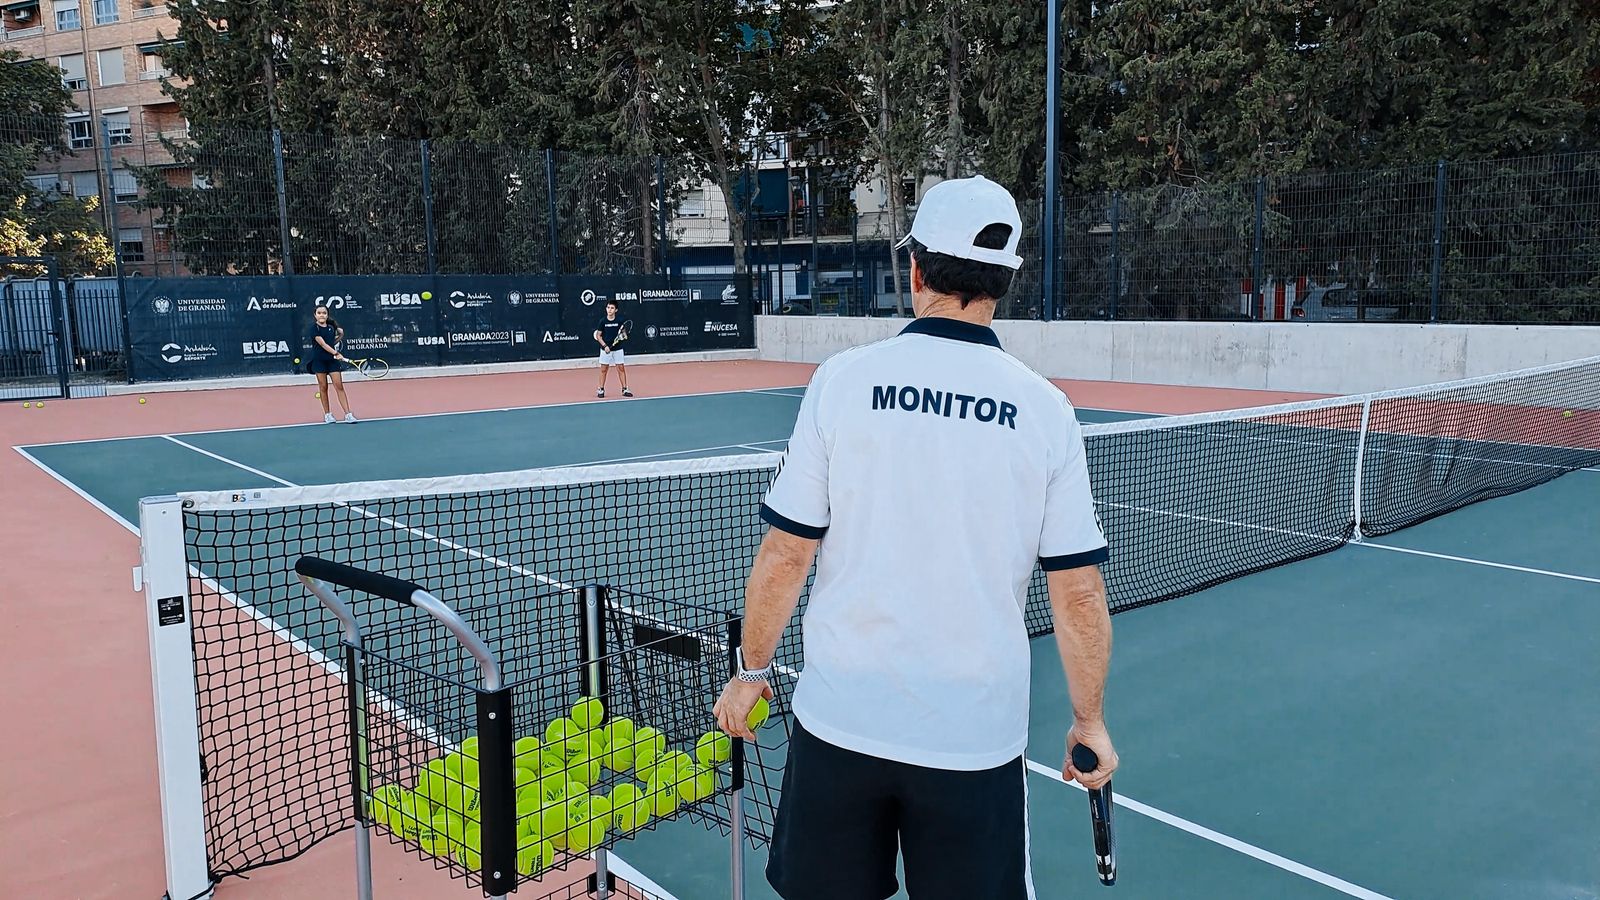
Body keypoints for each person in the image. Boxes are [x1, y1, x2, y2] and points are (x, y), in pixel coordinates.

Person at [714, 175, 1118, 899]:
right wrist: (1088, 720)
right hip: (974, 741)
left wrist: (751, 673)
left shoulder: (842, 382)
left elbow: (786, 554)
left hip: (840, 726)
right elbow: (1079, 593)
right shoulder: (1046, 410)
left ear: (916, 271)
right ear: (1004, 281)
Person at [307, 304, 357, 424]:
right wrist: (336, 353)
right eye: (319, 313)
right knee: (323, 387)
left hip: (332, 361)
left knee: (339, 386)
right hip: (319, 361)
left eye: (324, 313)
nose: (322, 315)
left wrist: (341, 335)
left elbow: (330, 342)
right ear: (315, 315)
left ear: (327, 315)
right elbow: (323, 344)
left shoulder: (331, 328)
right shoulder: (314, 329)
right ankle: (328, 415)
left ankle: (348, 414)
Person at [593, 299, 633, 398]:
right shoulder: (602, 321)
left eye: (612, 308)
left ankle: (625, 389)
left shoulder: (619, 321)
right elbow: (598, 336)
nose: (609, 310)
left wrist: (623, 336)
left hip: (618, 349)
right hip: (605, 350)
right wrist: (605, 346)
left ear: (616, 310)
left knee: (621, 368)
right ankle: (601, 389)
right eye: (608, 308)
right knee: (603, 369)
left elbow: (623, 333)